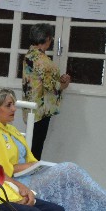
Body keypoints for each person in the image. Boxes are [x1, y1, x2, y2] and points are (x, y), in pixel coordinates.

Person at [22, 23, 70, 158]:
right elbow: (51, 85)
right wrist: (63, 84)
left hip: (33, 105)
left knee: (33, 143)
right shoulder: (40, 59)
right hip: (41, 108)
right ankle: (31, 175)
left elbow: (41, 78)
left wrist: (58, 79)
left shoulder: (31, 54)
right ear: (47, 38)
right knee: (36, 147)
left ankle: (29, 172)